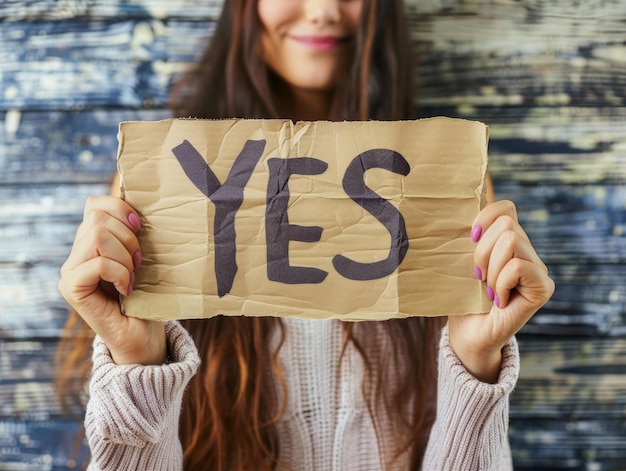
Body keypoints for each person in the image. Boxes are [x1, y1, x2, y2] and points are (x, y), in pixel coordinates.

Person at [55, 0, 555, 469]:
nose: (323, 12)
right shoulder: (156, 185)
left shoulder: (451, 183)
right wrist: (139, 362)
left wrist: (474, 361)